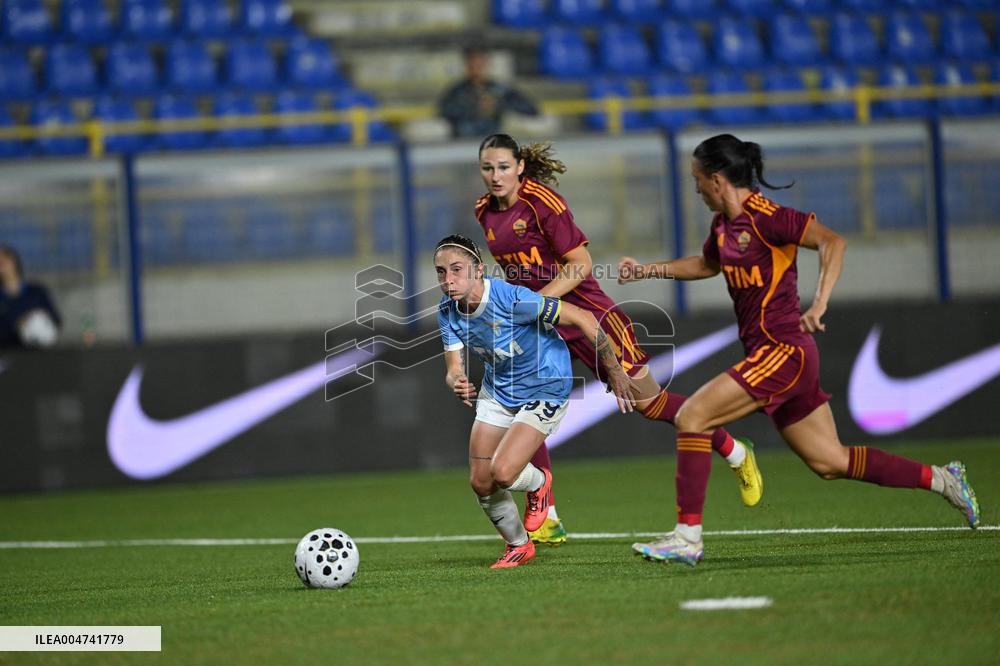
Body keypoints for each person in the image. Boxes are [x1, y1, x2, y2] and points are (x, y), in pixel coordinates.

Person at [617, 133, 981, 566]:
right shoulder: (722, 227)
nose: (695, 189)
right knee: (830, 461)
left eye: (697, 180)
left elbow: (833, 242)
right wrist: (647, 270)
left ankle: (686, 537)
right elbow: (707, 265)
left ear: (717, 180)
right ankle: (944, 479)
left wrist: (820, 300)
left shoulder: (769, 218)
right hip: (780, 358)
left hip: (784, 351)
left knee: (694, 416)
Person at [474, 134, 764, 547]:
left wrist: (532, 303)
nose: (495, 176)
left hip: (591, 319)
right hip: (544, 326)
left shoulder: (544, 204)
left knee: (651, 404)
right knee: (526, 405)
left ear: (520, 167)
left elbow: (580, 266)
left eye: (503, 167)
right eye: (487, 168)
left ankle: (735, 449)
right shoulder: (484, 211)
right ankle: (548, 514)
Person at [435, 234, 635, 568]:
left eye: (457, 269)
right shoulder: (448, 311)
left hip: (546, 384)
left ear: (479, 270)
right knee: (480, 480)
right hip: (499, 391)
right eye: (441, 272)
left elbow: (584, 319)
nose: (448, 279)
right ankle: (518, 546)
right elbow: (453, 368)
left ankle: (540, 482)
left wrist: (614, 370)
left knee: (502, 472)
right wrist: (456, 380)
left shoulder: (515, 300)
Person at [438, 47, 539, 139]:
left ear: (487, 65)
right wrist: (473, 107)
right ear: (467, 67)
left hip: (495, 142)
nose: (477, 69)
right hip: (465, 140)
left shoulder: (501, 89)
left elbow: (530, 109)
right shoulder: (458, 92)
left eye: (480, 65)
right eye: (473, 65)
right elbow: (444, 112)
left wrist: (498, 105)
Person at [0, 244, 61, 350]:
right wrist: (17, 325)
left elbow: (57, 320)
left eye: (5, 258)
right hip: (8, 353)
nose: (2, 263)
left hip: (38, 355)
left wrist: (41, 317)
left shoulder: (37, 292)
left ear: (15, 262)